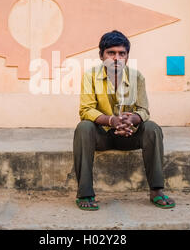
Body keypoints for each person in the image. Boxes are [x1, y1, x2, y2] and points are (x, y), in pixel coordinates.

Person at [73, 30, 175, 211]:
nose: (116, 58)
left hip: (129, 135)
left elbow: (144, 110)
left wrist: (132, 120)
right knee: (83, 128)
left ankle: (156, 191)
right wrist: (111, 121)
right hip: (101, 136)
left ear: (127, 56)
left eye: (122, 53)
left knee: (152, 128)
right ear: (101, 55)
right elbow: (86, 110)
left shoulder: (137, 77)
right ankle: (85, 192)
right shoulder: (90, 76)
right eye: (111, 53)